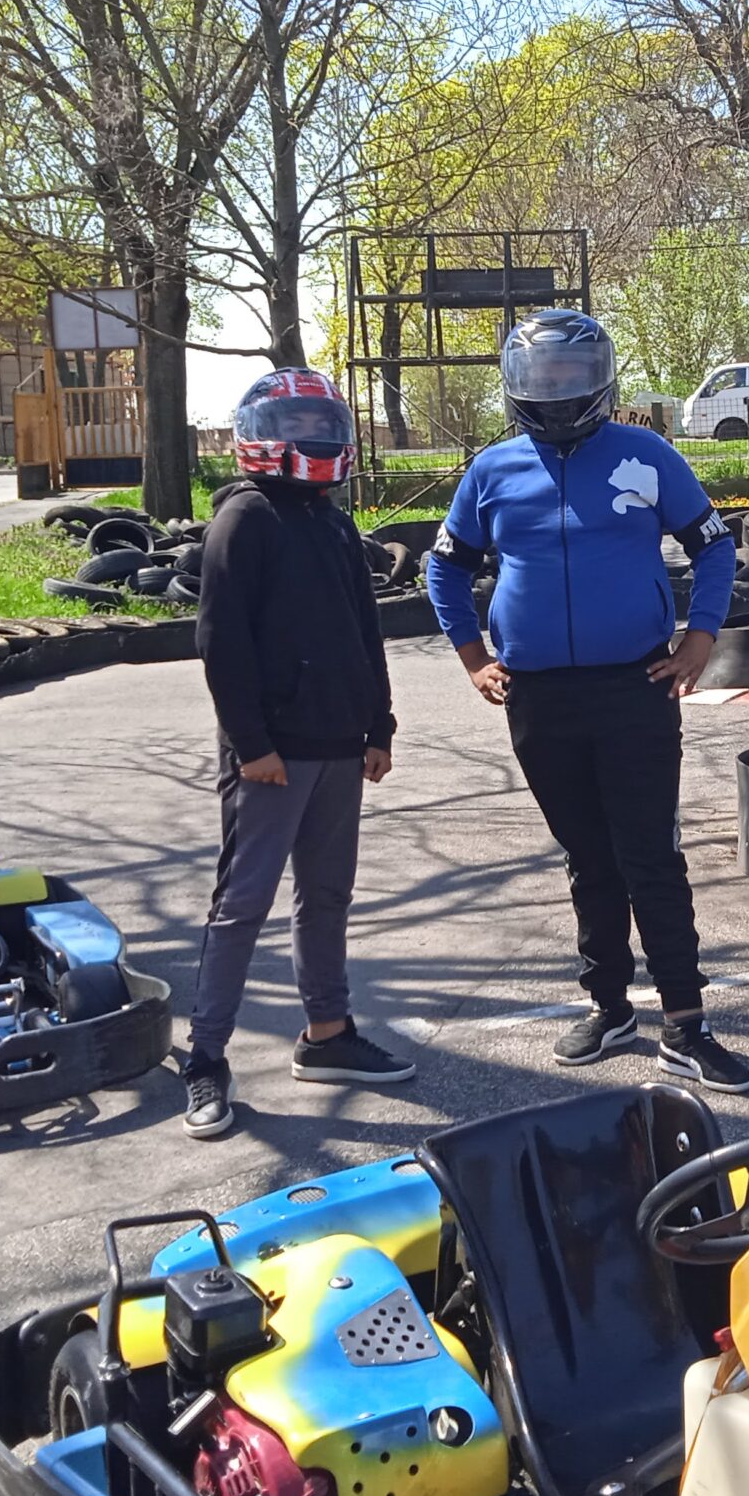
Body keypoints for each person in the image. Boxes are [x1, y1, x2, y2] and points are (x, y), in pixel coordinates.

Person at [425, 307, 749, 1092]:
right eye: (541, 375)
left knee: (651, 857)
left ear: (600, 377)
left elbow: (714, 548)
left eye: (571, 373)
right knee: (588, 859)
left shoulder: (647, 455)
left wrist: (701, 638)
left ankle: (686, 1022)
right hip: (538, 698)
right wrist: (473, 659)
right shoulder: (492, 470)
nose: (556, 388)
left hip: (634, 688)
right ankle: (609, 1007)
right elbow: (445, 567)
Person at [186, 367, 414, 1138]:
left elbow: (363, 631)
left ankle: (327, 1034)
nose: (312, 438)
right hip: (271, 755)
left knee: (327, 897)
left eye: (322, 425)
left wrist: (378, 726)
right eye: (296, 426)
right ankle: (205, 1057)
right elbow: (221, 643)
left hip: (340, 746)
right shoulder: (242, 519)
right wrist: (252, 745)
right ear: (261, 435)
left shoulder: (334, 524)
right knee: (242, 905)